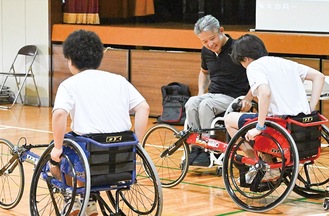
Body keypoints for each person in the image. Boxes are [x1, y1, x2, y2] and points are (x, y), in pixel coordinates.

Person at [49, 29, 150, 216]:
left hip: (89, 154)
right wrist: (136, 143)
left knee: (57, 154)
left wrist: (56, 147)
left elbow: (59, 114)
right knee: (82, 147)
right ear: (98, 57)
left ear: (70, 59)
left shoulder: (70, 84)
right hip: (121, 157)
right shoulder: (119, 81)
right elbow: (143, 108)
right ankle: (89, 200)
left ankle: (74, 198)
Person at [224, 34, 324, 182]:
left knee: (229, 119)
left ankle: (265, 165)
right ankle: (267, 161)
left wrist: (259, 126)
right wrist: (310, 109)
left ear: (245, 58)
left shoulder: (253, 67)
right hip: (300, 123)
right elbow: (319, 77)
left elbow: (265, 93)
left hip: (280, 124)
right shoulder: (286, 63)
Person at [185, 15, 253, 166]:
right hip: (213, 95)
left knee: (205, 105)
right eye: (204, 41)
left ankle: (209, 149)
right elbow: (204, 72)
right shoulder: (206, 51)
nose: (209, 44)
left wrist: (248, 98)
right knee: (192, 102)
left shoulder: (238, 49)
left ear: (221, 31)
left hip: (233, 96)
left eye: (212, 38)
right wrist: (201, 91)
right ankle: (196, 147)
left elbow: (256, 76)